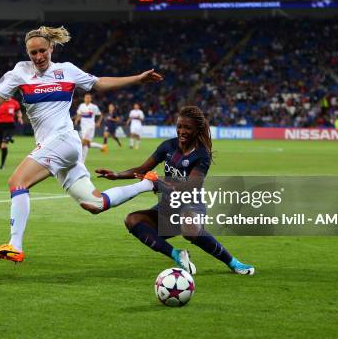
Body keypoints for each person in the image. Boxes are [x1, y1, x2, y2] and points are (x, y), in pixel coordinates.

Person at [0, 25, 163, 263]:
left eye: (43, 50)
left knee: (17, 181)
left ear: (51, 47)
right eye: (34, 53)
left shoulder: (67, 71)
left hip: (64, 140)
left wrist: (138, 78)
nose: (39, 56)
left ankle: (15, 245)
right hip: (56, 147)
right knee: (94, 203)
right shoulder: (20, 72)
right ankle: (148, 185)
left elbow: (100, 83)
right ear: (27, 53)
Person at [93, 106, 255, 275]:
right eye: (179, 126)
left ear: (197, 129)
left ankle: (233, 262)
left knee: (189, 230)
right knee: (132, 220)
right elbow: (142, 169)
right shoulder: (168, 146)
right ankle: (176, 255)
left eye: (187, 128)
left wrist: (159, 181)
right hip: (167, 207)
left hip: (190, 207)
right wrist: (116, 175)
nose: (182, 131)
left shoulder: (202, 155)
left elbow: (189, 186)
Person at [0, 97, 23, 170]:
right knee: (0, 147)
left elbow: (18, 111)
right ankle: (9, 138)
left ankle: (2, 165)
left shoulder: (14, 103)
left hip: (9, 126)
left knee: (3, 145)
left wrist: (19, 117)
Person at [74, 93, 106, 162]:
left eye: (89, 98)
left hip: (90, 127)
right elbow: (79, 114)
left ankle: (79, 160)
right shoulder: (81, 106)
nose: (87, 99)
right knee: (87, 144)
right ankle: (102, 146)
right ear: (84, 98)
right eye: (86, 98)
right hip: (83, 127)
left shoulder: (94, 107)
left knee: (83, 142)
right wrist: (77, 119)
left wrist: (98, 122)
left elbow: (100, 115)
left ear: (91, 99)